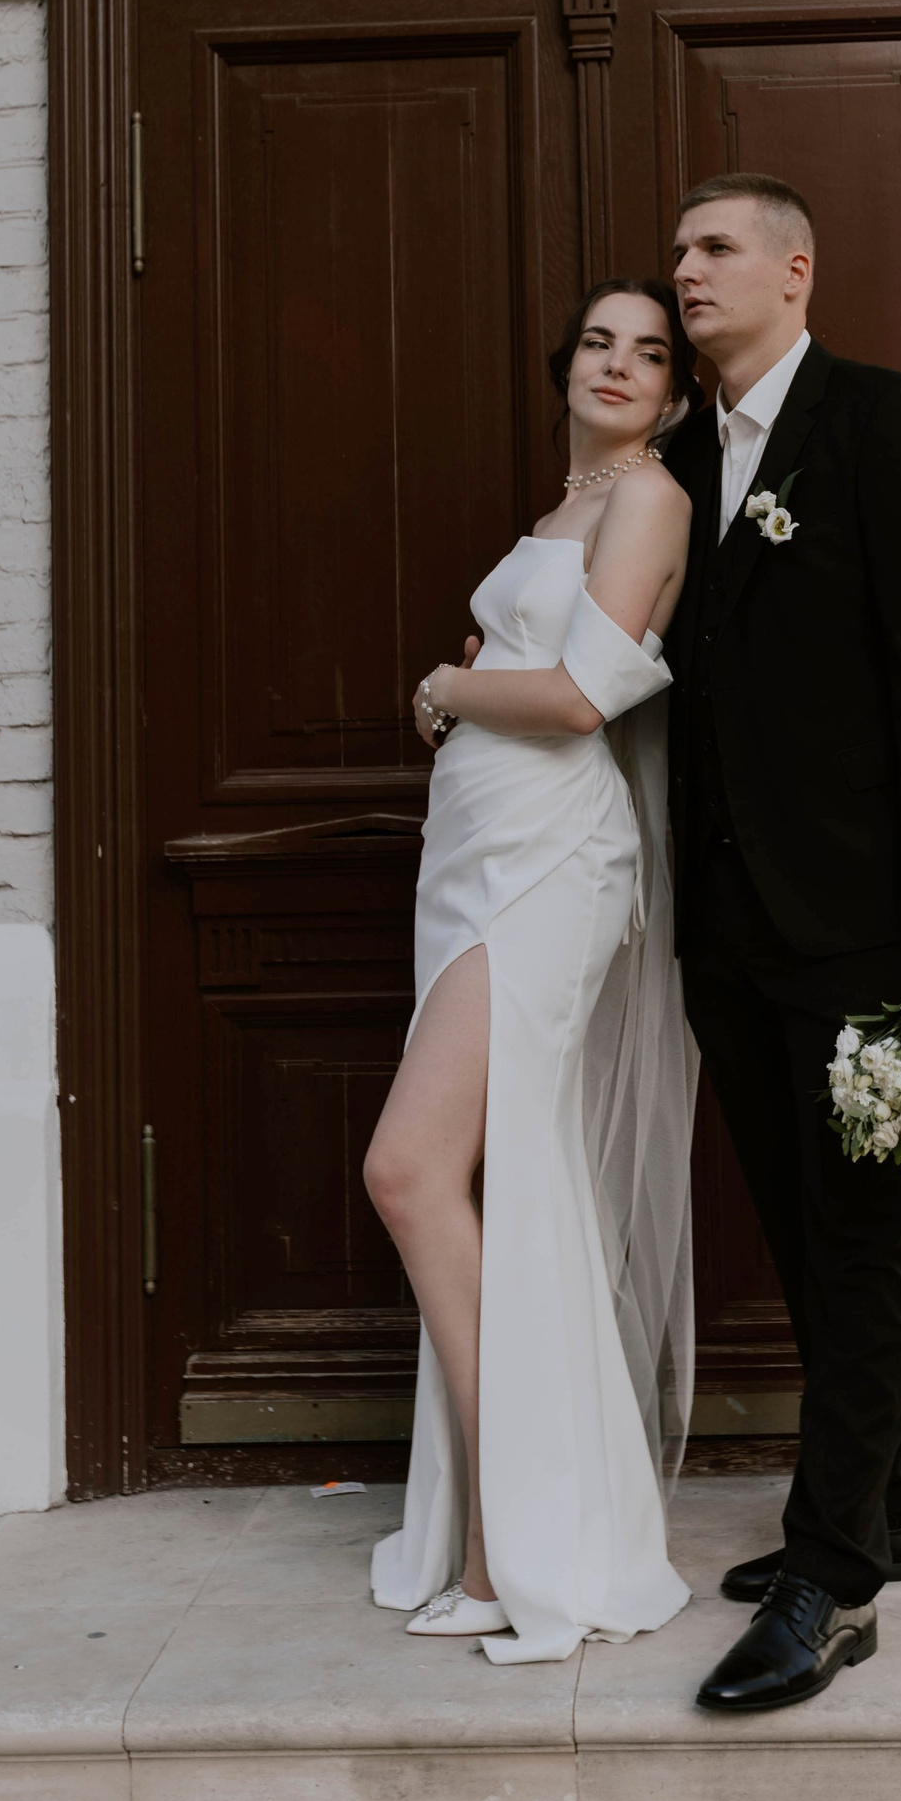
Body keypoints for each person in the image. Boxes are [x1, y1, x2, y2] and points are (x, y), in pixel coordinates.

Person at [665, 173, 901, 1714]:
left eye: (716, 247)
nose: (688, 272)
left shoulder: (882, 419)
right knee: (805, 1235)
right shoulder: (681, 458)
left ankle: (834, 1579)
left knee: (866, 1241)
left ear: (794, 270)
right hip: (727, 925)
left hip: (866, 909)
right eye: (679, 254)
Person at [364, 280, 700, 1664]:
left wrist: (446, 691)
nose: (619, 365)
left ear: (676, 392)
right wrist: (476, 686)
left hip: (553, 859)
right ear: (565, 365)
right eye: (599, 343)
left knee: (408, 1169)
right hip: (476, 847)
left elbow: (576, 697)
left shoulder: (650, 500)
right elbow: (541, 658)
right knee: (499, 1177)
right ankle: (507, 1531)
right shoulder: (570, 504)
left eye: (651, 353)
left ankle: (512, 1543)